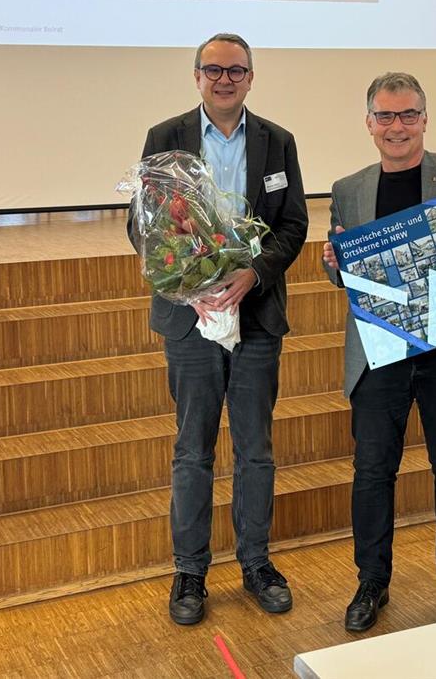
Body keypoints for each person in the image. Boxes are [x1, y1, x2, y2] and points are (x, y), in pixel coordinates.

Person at [127, 33, 309, 626]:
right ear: (197, 76)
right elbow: (144, 226)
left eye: (236, 70)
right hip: (190, 318)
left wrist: (253, 274)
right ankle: (191, 572)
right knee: (192, 450)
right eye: (213, 70)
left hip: (255, 317)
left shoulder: (277, 141)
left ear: (251, 77)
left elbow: (295, 225)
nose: (224, 79)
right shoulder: (165, 138)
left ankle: (256, 564)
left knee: (255, 451)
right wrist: (188, 280)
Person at [321, 72, 436, 632]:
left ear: (425, 119)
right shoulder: (348, 188)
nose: (396, 127)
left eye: (407, 115)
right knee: (373, 471)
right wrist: (334, 267)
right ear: (369, 122)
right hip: (382, 347)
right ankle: (370, 583)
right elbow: (348, 276)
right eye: (385, 116)